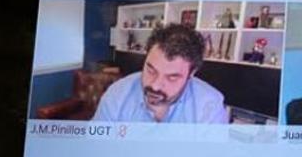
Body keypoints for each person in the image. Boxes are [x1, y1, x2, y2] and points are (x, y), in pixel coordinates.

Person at [93, 23, 228, 124]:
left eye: (172, 77)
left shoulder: (210, 106)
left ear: (191, 74)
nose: (155, 86)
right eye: (151, 70)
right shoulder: (117, 94)